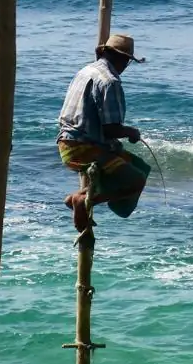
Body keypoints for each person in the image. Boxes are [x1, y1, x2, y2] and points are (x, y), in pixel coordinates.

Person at [58, 33, 152, 232]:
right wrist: (131, 132)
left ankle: (81, 197)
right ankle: (81, 200)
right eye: (127, 61)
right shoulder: (110, 82)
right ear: (124, 60)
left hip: (67, 144)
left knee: (140, 166)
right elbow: (111, 130)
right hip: (83, 149)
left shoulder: (86, 70)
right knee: (136, 180)